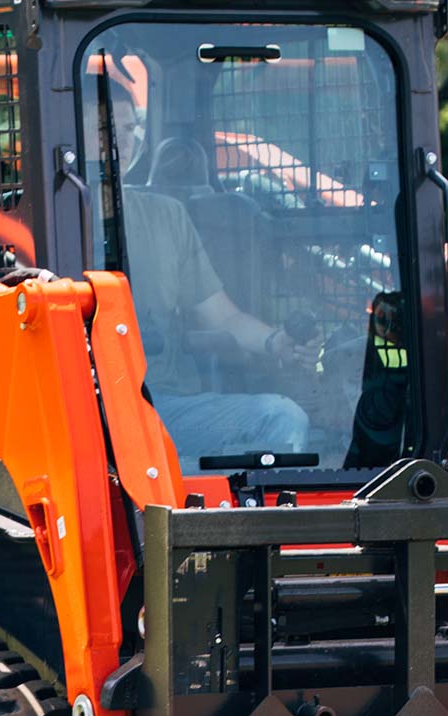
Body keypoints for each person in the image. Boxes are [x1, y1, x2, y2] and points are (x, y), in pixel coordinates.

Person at [85, 78, 317, 470]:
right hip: (85, 414)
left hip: (165, 405)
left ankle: (220, 522)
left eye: (127, 131)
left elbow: (222, 315)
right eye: (104, 131)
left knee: (282, 419)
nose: (119, 144)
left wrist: (277, 342)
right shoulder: (47, 218)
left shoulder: (166, 216)